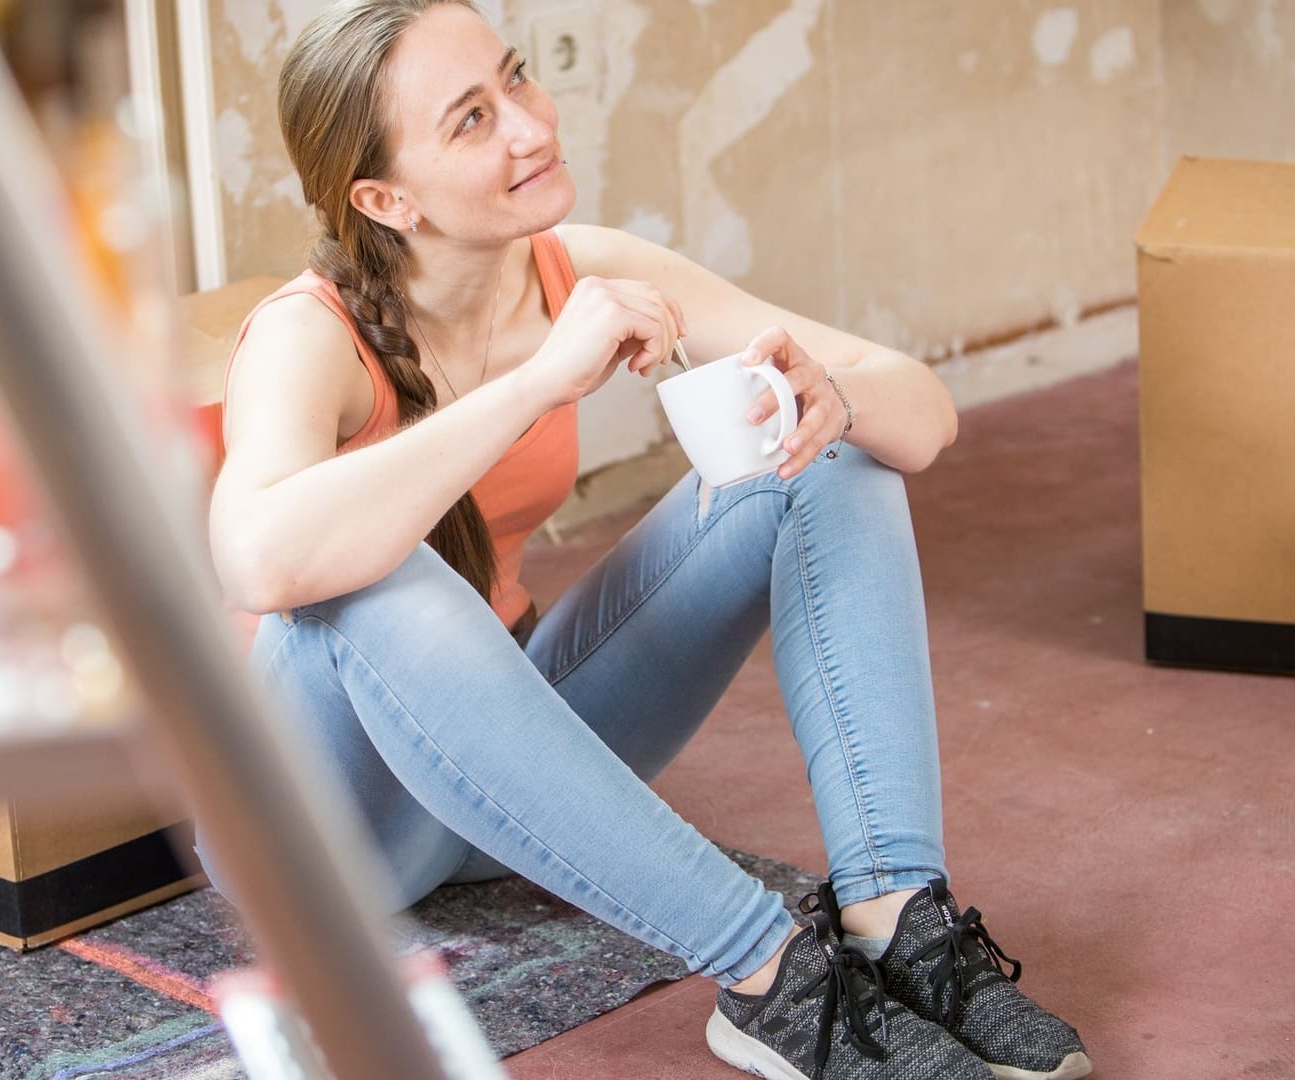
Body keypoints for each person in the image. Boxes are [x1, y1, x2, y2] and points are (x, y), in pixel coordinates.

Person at [204, 2, 1092, 1077]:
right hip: (322, 828)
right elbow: (259, 559)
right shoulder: (307, 337)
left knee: (820, 447)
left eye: (518, 79)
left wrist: (830, 401)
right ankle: (770, 974)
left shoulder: (578, 268)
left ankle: (894, 914)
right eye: (472, 120)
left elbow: (921, 412)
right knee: (375, 582)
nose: (531, 127)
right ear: (386, 199)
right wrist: (541, 382)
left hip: (490, 775)